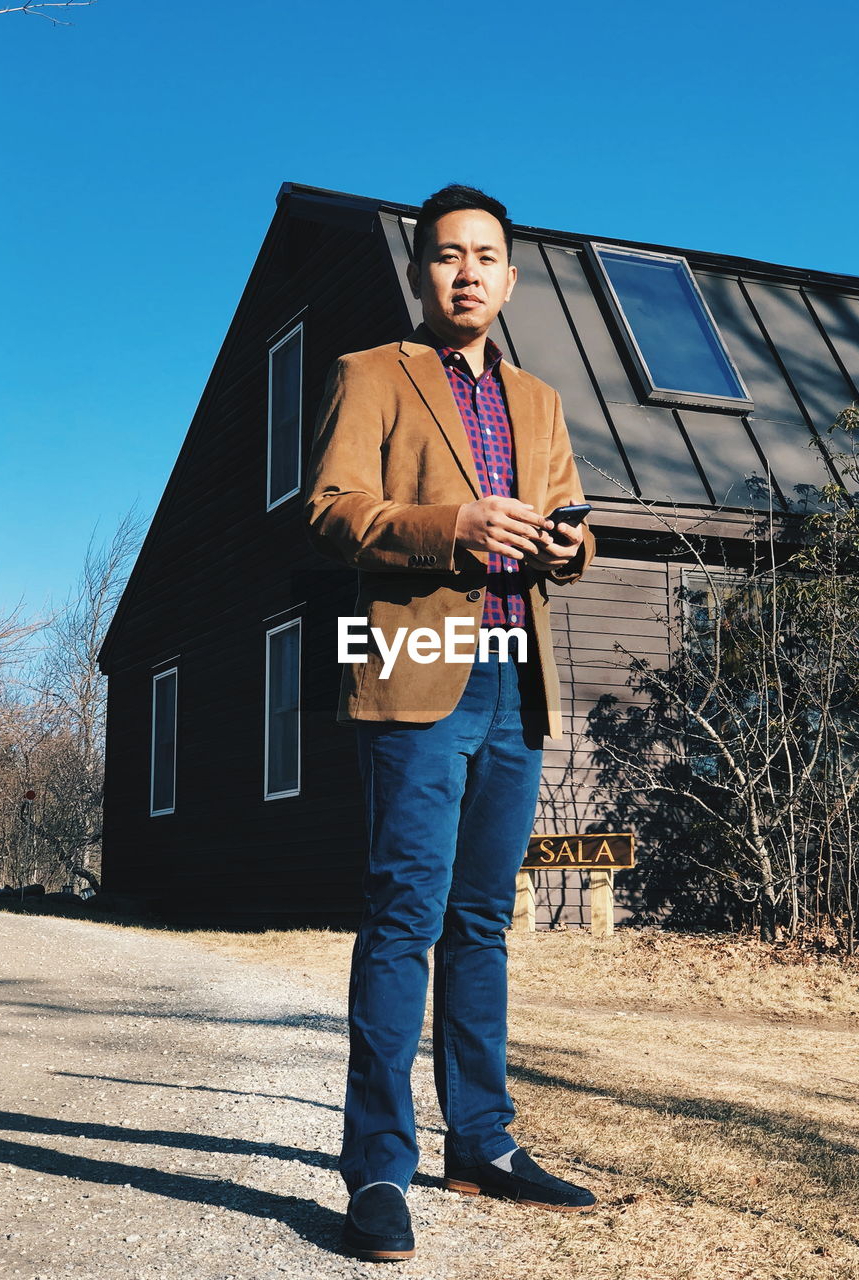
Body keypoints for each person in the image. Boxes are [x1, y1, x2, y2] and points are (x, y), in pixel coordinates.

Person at [304, 184, 597, 1262]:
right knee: (403, 917)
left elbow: (570, 515)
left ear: (510, 278)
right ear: (421, 273)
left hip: (515, 675)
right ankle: (377, 1167)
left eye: (484, 256)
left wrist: (571, 546)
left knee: (482, 920)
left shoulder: (543, 399)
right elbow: (333, 510)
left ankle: (482, 1140)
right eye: (444, 256)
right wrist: (452, 526)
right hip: (416, 665)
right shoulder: (371, 375)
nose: (465, 271)